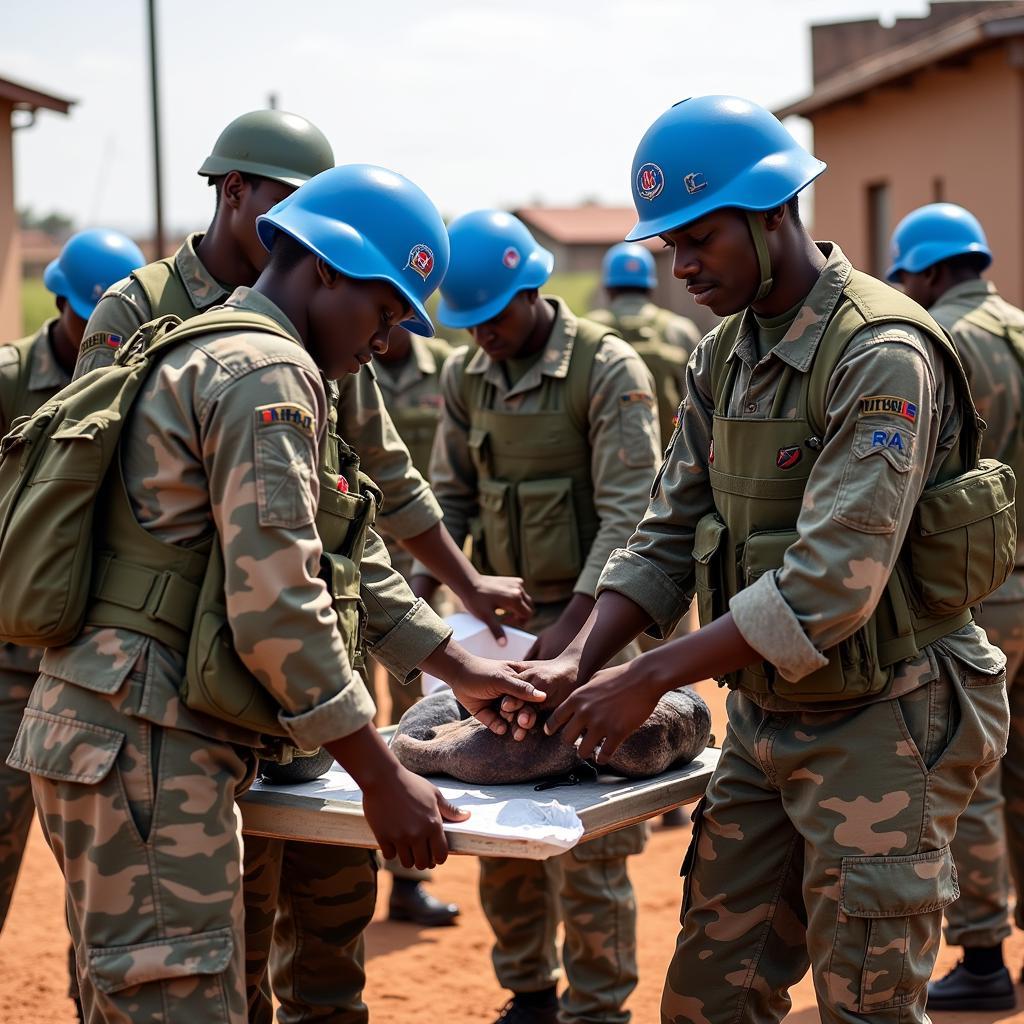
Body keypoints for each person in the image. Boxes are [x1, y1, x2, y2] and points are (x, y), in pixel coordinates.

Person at [7, 163, 545, 1024]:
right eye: (384, 310)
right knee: (179, 1004)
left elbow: (341, 549)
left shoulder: (241, 349)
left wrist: (457, 663)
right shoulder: (266, 373)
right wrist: (380, 774)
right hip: (144, 738)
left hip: (132, 730)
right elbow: (278, 600)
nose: (387, 340)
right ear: (325, 268)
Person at [518, 95, 1011, 1024]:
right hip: (767, 716)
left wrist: (650, 675)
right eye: (670, 247)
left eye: (701, 238)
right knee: (711, 998)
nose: (684, 266)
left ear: (775, 213)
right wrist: (576, 664)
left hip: (887, 718)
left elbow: (831, 585)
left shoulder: (879, 351)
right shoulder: (722, 356)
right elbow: (664, 533)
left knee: (864, 1001)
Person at [412, 209, 660, 1024]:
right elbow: (446, 498)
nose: (479, 335)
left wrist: (570, 645)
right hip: (505, 636)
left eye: (492, 317)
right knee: (498, 818)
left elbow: (633, 519)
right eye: (467, 322)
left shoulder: (606, 368)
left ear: (532, 291)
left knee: (588, 835)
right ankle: (528, 993)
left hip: (601, 630)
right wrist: (444, 598)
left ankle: (599, 1007)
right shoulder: (464, 377)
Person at [0, 228, 144, 1020]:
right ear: (61, 302)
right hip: (8, 662)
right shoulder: (12, 380)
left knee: (101, 884)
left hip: (94, 669)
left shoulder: (139, 379)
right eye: (94, 316)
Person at [888, 203, 1024, 1012]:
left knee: (967, 773)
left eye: (908, 277)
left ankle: (982, 957)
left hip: (976, 594)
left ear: (931, 272)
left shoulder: (940, 343)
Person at [588, 241, 700, 445]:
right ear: (650, 286)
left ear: (608, 288)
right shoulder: (680, 329)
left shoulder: (590, 331)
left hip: (605, 459)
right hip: (672, 462)